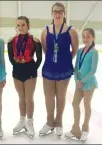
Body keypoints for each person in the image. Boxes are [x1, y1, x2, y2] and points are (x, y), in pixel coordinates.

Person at [39, 2, 79, 137]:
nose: (57, 14)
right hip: (49, 68)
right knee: (49, 97)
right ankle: (49, 122)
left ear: (64, 14)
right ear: (51, 13)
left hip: (64, 69)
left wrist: (65, 59)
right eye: (55, 11)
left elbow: (74, 50)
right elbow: (45, 49)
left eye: (60, 11)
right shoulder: (45, 30)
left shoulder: (71, 31)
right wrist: (53, 58)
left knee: (61, 96)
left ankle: (59, 121)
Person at [7, 16, 42, 138]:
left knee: (29, 97)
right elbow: (11, 58)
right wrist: (18, 64)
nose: (21, 27)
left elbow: (39, 59)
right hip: (17, 70)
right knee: (21, 97)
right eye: (18, 25)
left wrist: (32, 68)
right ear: (16, 27)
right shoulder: (11, 41)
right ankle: (22, 120)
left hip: (30, 69)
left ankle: (30, 122)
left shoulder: (34, 40)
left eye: (23, 25)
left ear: (28, 25)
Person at [65, 28, 98, 142]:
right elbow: (76, 67)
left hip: (88, 83)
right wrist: (76, 80)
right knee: (75, 104)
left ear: (93, 38)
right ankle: (75, 129)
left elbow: (93, 70)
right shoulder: (79, 51)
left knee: (86, 105)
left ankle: (85, 129)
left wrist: (82, 81)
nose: (85, 39)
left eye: (88, 36)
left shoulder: (94, 52)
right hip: (79, 83)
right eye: (84, 37)